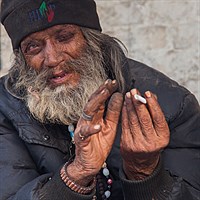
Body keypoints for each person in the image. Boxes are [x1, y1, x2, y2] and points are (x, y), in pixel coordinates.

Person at [0, 0, 199, 199]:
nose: (52, 59)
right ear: (21, 59)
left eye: (65, 37)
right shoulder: (5, 106)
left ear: (91, 38)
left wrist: (144, 173)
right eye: (33, 47)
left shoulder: (173, 104)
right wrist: (75, 175)